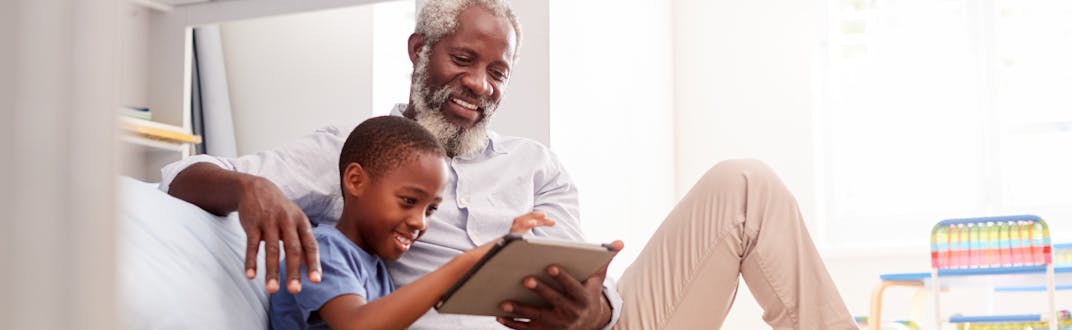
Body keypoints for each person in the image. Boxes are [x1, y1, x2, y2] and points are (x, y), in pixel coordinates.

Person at [162, 0, 857, 328]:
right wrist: (250, 186)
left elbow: (594, 291)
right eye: (462, 59)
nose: (479, 85)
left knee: (744, 182)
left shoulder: (536, 165)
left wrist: (592, 311)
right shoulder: (355, 151)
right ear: (417, 53)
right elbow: (180, 178)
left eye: (497, 72)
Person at [268, 116, 559, 329]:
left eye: (430, 210)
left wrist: (507, 252)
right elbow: (357, 326)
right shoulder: (321, 251)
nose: (419, 222)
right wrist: (463, 264)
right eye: (408, 201)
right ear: (356, 181)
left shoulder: (375, 267)